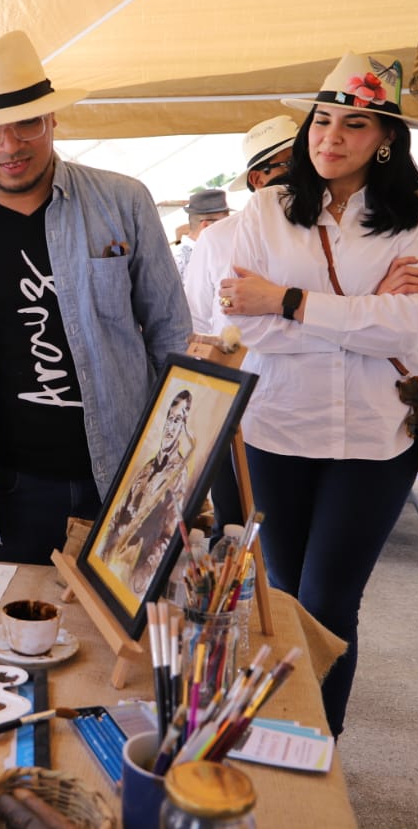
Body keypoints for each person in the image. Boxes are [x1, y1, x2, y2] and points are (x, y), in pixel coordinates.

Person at [213, 52, 418, 737]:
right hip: (277, 428)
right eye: (322, 120)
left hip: (376, 439)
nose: (330, 137)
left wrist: (287, 298)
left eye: (354, 124)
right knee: (284, 598)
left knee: (327, 601)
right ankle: (277, 738)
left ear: (386, 140)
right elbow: (246, 323)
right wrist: (363, 310)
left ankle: (319, 744)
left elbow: (409, 326)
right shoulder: (266, 207)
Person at [0, 30, 192, 567]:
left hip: (128, 484)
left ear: (52, 120)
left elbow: (175, 342)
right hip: (5, 498)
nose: (9, 146)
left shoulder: (123, 203)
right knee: (11, 649)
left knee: (132, 645)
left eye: (26, 123)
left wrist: (179, 479)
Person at [184, 116, 298, 544]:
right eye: (289, 165)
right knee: (234, 539)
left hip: (315, 417)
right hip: (243, 413)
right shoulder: (219, 240)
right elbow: (197, 325)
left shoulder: (337, 236)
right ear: (258, 178)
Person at [99, 391, 194, 596]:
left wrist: (144, 573)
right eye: (170, 418)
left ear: (184, 426)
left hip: (136, 571)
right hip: (113, 558)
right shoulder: (147, 466)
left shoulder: (178, 472)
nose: (171, 426)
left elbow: (167, 534)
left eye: (177, 420)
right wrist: (103, 550)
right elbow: (120, 512)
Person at [172, 189, 230, 280]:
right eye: (226, 223)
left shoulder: (175, 261)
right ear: (206, 226)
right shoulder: (185, 262)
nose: (229, 228)